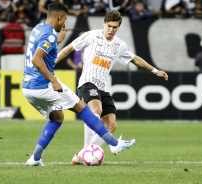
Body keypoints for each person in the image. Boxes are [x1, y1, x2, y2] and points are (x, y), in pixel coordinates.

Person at [22, 2, 136, 167]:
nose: (64, 23)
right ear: (60, 17)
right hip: (43, 85)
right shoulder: (50, 35)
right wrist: (53, 80)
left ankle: (35, 158)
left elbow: (43, 53)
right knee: (82, 108)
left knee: (57, 118)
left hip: (27, 86)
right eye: (65, 19)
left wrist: (57, 41)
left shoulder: (38, 28)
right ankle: (113, 143)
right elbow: (36, 59)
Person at [56, 10, 168, 164]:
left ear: (118, 27)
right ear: (104, 23)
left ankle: (82, 155)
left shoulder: (119, 45)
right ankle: (86, 152)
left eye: (115, 27)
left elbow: (135, 59)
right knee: (96, 111)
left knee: (111, 125)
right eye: (109, 26)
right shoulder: (91, 36)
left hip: (102, 87)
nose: (111, 30)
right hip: (87, 82)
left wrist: (155, 71)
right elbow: (68, 49)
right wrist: (51, 63)